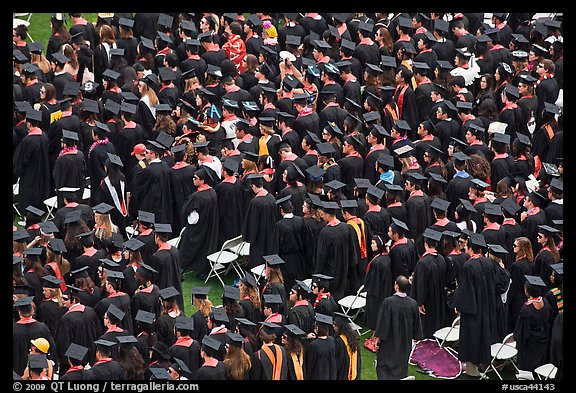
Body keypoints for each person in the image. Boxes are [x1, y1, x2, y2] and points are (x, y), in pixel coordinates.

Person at [178, 167, 219, 280]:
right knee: (205, 248)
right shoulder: (213, 192)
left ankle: (180, 270)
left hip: (197, 227)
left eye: (196, 178)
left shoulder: (196, 196)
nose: (193, 179)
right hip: (209, 227)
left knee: (186, 247)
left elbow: (185, 209)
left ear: (202, 180)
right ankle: (203, 272)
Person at [410, 228, 448, 338]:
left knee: (427, 323)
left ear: (425, 244)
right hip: (439, 297)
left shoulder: (423, 262)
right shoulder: (441, 259)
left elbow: (421, 284)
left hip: (427, 299)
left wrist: (420, 302)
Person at [513, 275, 555, 375]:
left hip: (530, 347)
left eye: (525, 288)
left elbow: (522, 332)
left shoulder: (526, 310)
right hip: (543, 343)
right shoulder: (545, 302)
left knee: (528, 372)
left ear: (528, 291)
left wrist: (517, 338)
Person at [13, 109, 51, 216]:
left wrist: (17, 170)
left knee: (29, 195)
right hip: (42, 171)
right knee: (39, 193)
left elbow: (20, 161)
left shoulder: (28, 140)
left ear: (29, 123)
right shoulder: (44, 136)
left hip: (30, 173)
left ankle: (28, 216)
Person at [13, 296, 57, 377]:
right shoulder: (42, 327)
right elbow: (51, 348)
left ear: (19, 312)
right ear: (32, 311)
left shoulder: (14, 329)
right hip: (39, 369)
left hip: (17, 369)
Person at [242, 174, 277, 269]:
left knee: (257, 258)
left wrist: (249, 237)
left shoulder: (255, 202)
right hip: (270, 234)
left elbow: (252, 223)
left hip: (259, 237)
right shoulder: (272, 198)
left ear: (253, 186)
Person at [148, 224, 184, 311]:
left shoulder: (157, 257)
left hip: (164, 288)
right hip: (176, 285)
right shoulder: (175, 250)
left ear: (157, 238)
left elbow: (155, 278)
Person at [303, 313, 336, 380]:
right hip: (331, 375)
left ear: (317, 328)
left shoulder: (313, 345)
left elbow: (309, 365)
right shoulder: (332, 340)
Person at [333, 312, 362, 380]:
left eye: (335, 324)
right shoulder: (353, 338)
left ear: (340, 326)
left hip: (343, 374)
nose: (333, 326)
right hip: (353, 373)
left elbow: (337, 361)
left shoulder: (339, 341)